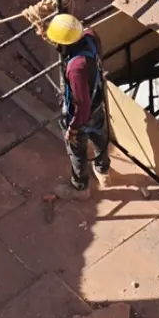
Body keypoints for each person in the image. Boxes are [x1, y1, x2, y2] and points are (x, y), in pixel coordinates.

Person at [46, 12, 109, 191]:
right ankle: (103, 172)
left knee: (77, 150)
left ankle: (80, 186)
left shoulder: (76, 67)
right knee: (100, 137)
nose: (57, 48)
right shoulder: (90, 35)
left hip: (83, 113)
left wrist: (73, 128)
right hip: (98, 103)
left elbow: (82, 105)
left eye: (59, 44)